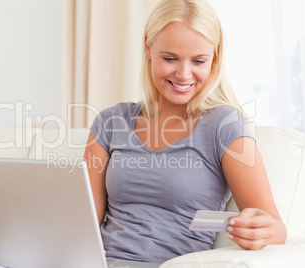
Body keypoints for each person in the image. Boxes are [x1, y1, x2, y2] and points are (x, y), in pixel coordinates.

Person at [84, 0, 287, 264]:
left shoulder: (224, 126)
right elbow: (83, 225)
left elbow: (277, 227)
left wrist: (264, 230)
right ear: (148, 47)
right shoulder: (110, 122)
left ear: (214, 57)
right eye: (170, 59)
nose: (183, 74)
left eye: (198, 61)